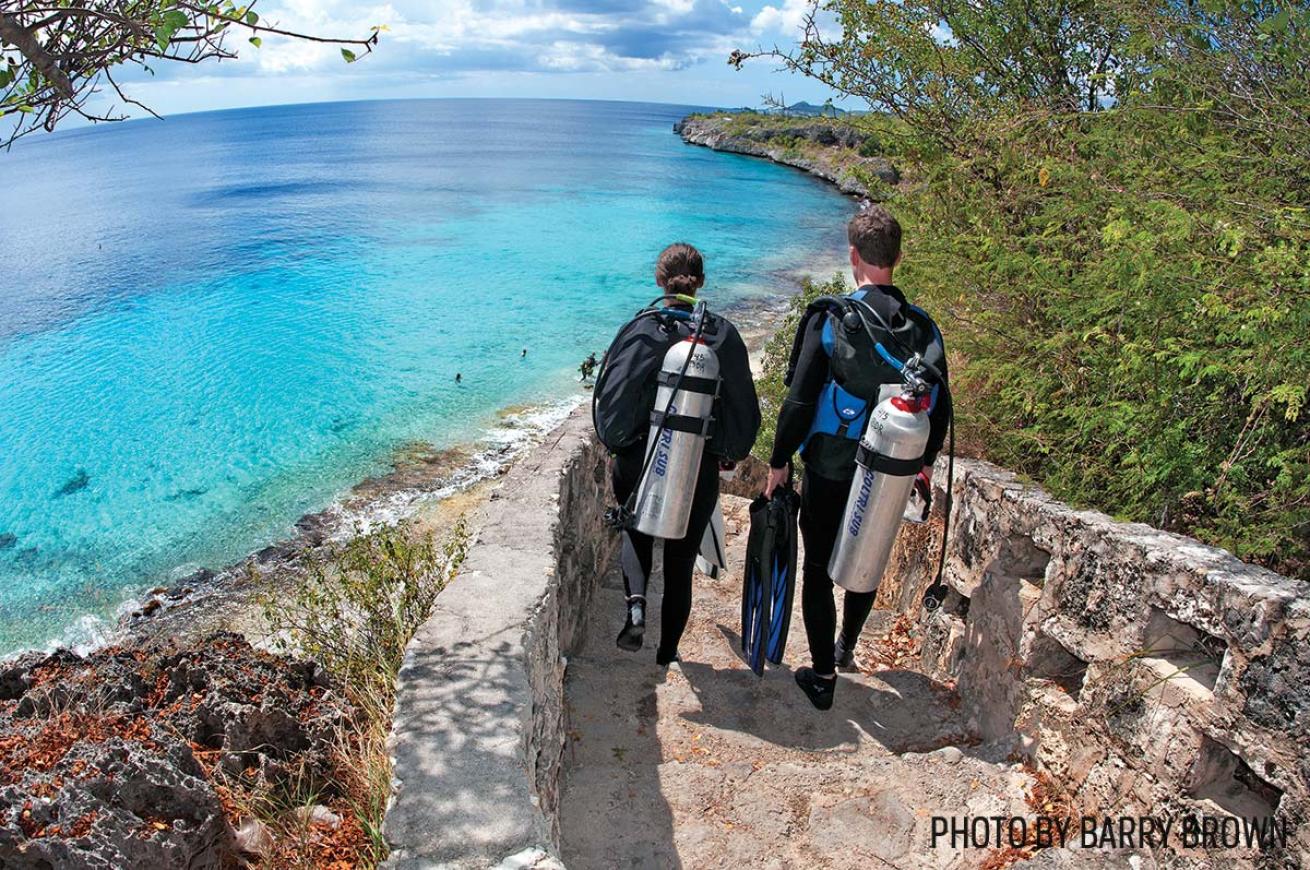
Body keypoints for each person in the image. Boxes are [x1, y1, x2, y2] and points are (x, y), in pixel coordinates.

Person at [763, 207, 952, 709]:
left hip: (829, 465)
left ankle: (823, 675)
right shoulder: (922, 328)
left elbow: (800, 400)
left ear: (853, 257)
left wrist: (779, 460)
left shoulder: (831, 319)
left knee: (819, 568)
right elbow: (942, 404)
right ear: (898, 257)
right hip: (892, 468)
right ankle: (847, 645)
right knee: (866, 560)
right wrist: (925, 461)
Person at [594, 243, 760, 665]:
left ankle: (635, 606)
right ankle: (667, 654)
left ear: (659, 281)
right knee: (682, 562)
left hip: (637, 458)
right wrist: (727, 453)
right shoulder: (722, 335)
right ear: (701, 282)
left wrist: (622, 445)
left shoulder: (643, 327)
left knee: (636, 531)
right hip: (697, 465)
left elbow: (611, 397)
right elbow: (744, 410)